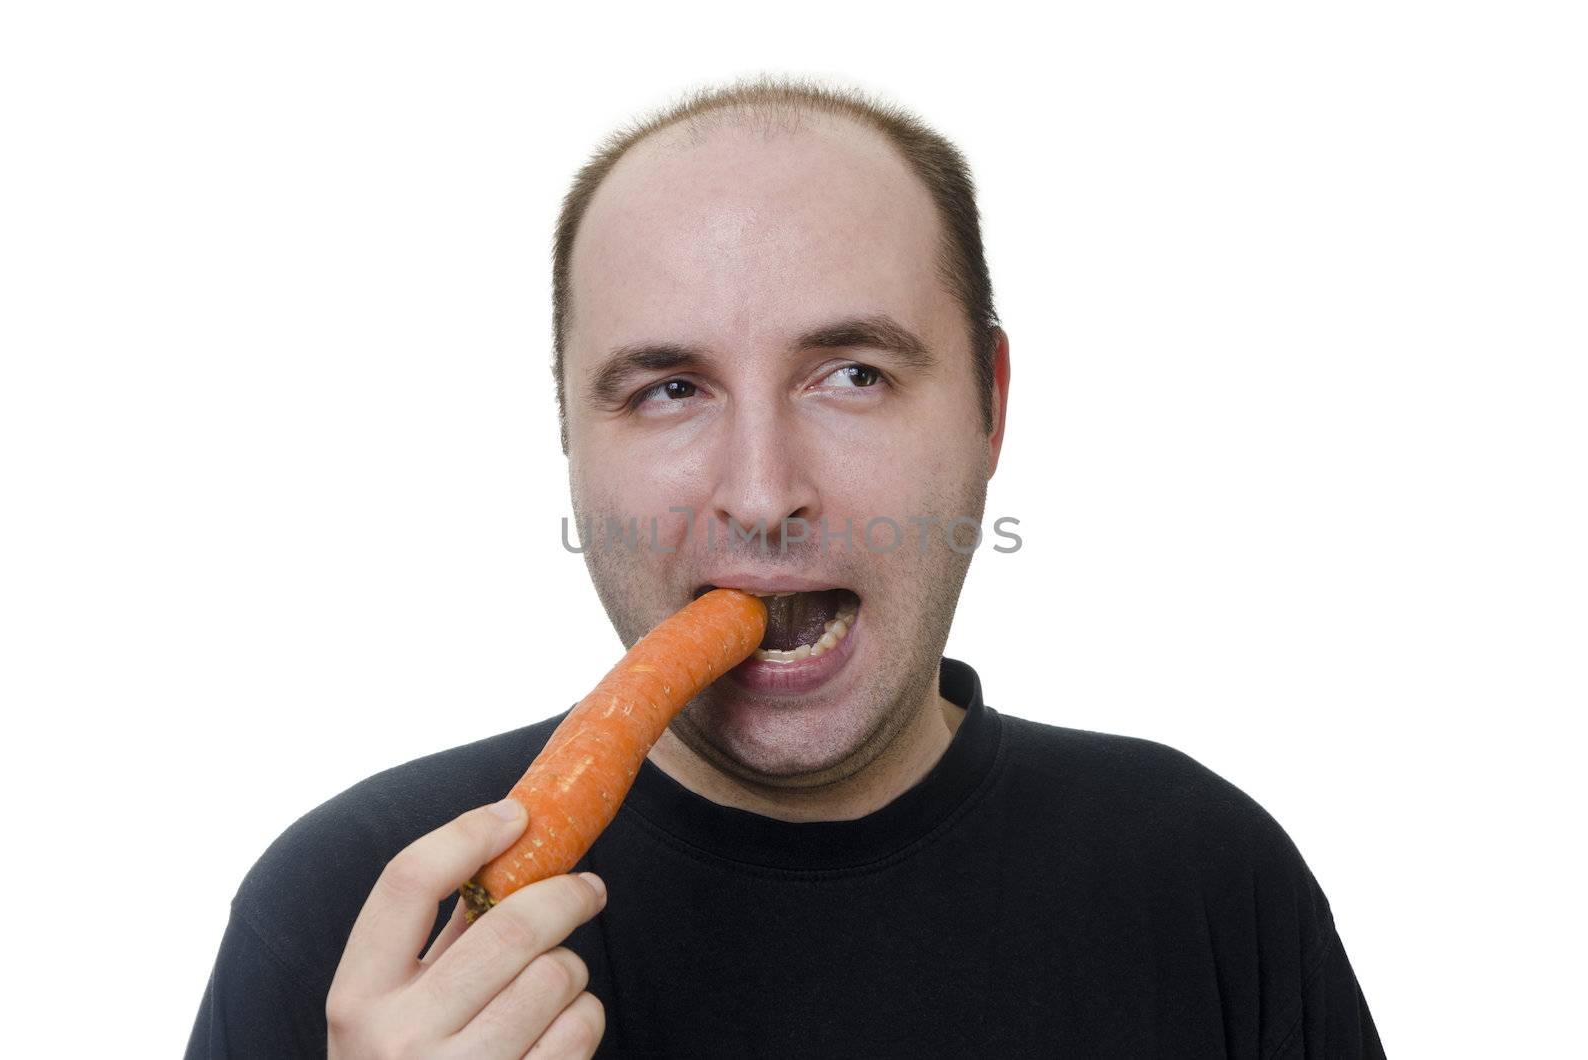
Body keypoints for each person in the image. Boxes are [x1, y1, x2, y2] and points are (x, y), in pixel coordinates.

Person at [188, 75, 1385, 1058]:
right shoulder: (351, 924)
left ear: (991, 412)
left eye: (853, 372)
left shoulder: (1201, 877)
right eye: (668, 389)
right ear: (568, 438)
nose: (761, 493)